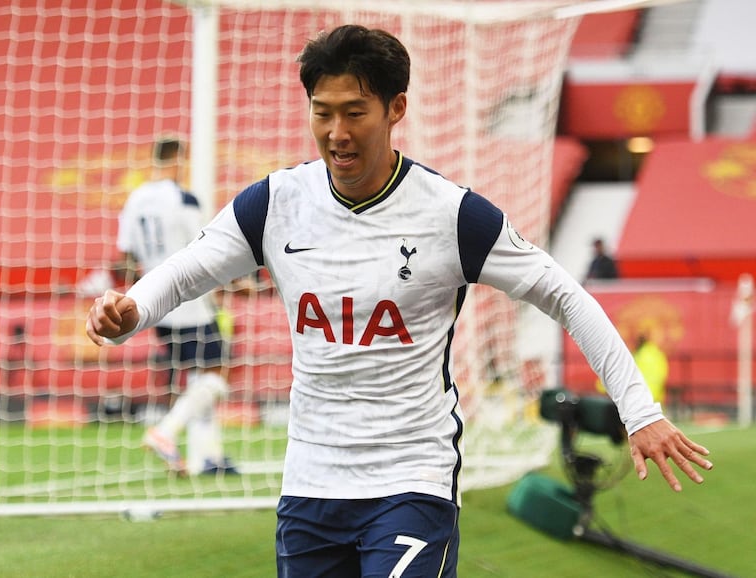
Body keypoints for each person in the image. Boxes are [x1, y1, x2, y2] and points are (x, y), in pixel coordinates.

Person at [87, 25, 712, 577]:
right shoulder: (275, 203)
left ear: (396, 108)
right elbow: (184, 273)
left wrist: (640, 411)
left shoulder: (453, 215)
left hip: (411, 481)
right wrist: (130, 312)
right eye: (322, 112)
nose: (337, 133)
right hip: (310, 482)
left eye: (355, 112)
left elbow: (565, 296)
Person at [116, 137, 236, 477]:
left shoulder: (135, 199)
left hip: (155, 300)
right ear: (176, 161)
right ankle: (165, 433)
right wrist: (231, 282)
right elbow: (205, 248)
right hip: (190, 299)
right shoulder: (182, 199)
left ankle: (207, 458)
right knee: (216, 375)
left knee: (196, 379)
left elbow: (126, 253)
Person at [633, 333, 670, 404]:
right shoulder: (657, 353)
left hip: (642, 393)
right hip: (657, 392)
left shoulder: (639, 355)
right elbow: (664, 371)